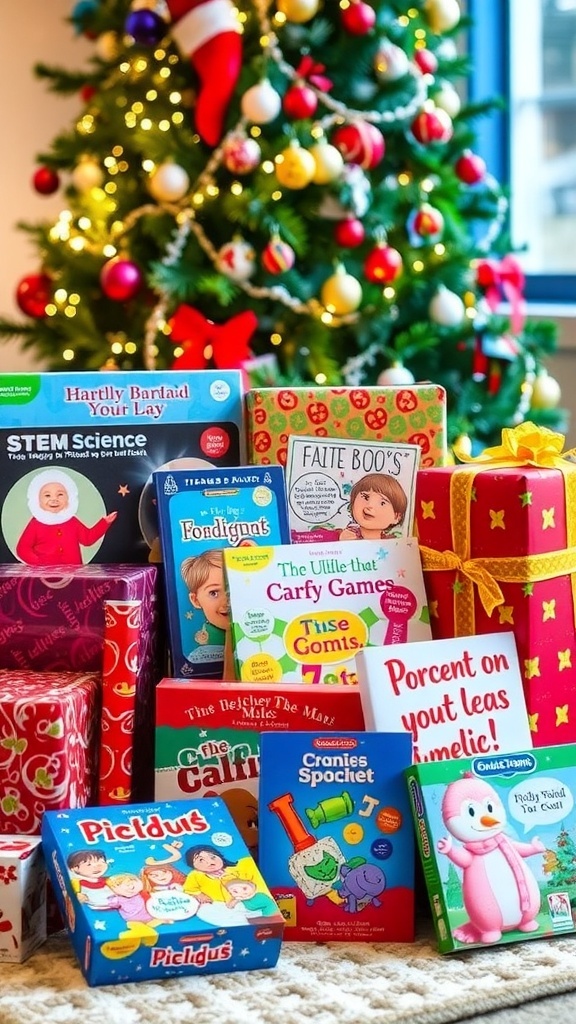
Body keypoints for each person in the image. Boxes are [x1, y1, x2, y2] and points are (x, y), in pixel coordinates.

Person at [15, 468, 117, 565]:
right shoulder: (35, 523)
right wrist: (39, 563)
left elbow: (87, 539)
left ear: (69, 498)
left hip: (74, 572)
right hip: (45, 574)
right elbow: (22, 549)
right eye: (47, 495)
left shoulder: (72, 520)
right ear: (38, 501)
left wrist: (104, 523)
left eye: (60, 494)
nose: (54, 499)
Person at [183, 843, 263, 904]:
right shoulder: (195, 876)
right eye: (201, 860)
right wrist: (200, 895)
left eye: (213, 857)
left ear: (220, 857)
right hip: (218, 906)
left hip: (246, 901)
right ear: (193, 865)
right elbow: (189, 889)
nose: (211, 862)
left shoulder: (239, 869)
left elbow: (256, 883)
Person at [180, 548, 229, 646]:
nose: (227, 601)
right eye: (213, 593)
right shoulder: (203, 650)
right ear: (195, 600)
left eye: (233, 589)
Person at [339, 472, 407, 541]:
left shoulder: (392, 543)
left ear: (397, 517)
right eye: (365, 498)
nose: (369, 505)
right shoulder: (348, 535)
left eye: (382, 503)